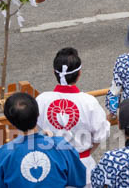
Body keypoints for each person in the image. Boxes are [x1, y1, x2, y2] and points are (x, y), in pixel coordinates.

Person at [36, 48, 108, 177]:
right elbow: (100, 136)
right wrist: (83, 153)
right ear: (79, 73)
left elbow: (35, 132)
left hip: (50, 166)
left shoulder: (41, 100)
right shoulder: (89, 102)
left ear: (54, 72)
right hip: (82, 166)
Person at [0, 91, 87, 187]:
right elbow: (79, 180)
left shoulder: (3, 155)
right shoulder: (62, 145)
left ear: (10, 121)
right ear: (38, 114)